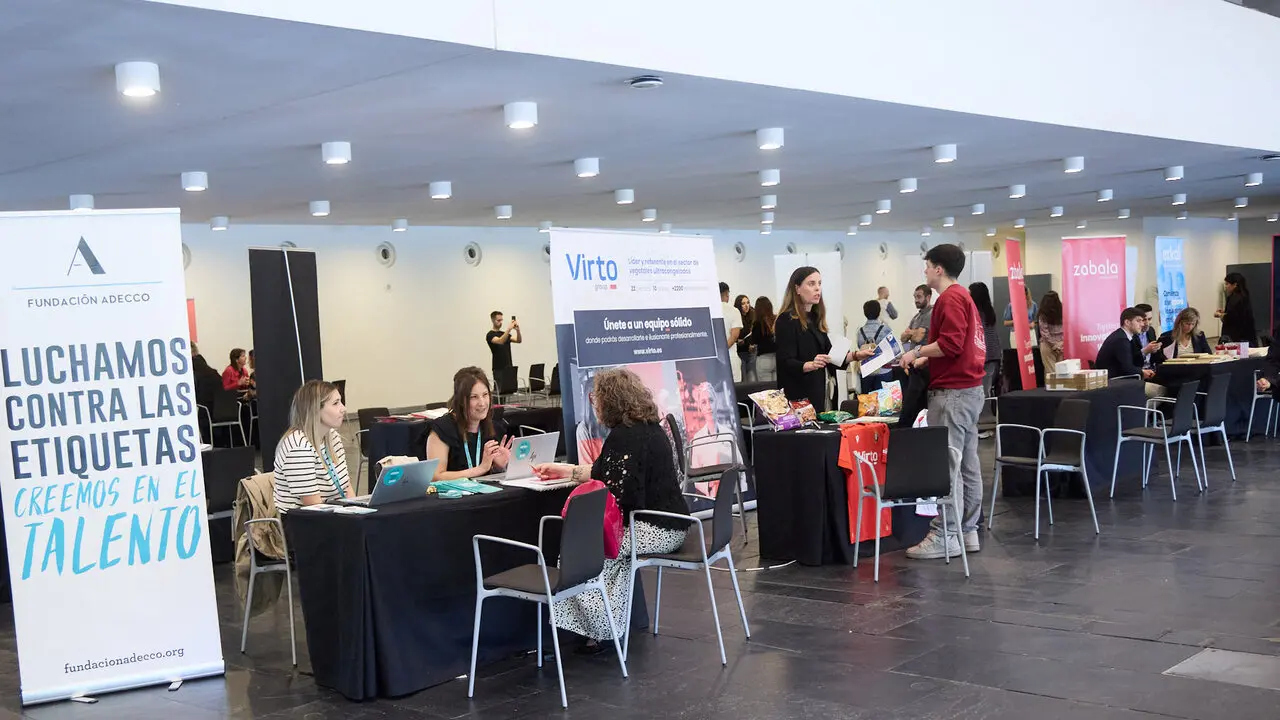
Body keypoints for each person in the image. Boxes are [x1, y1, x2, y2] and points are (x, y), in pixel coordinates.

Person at [532, 368, 690, 651]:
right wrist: (565, 471)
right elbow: (603, 472)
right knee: (609, 552)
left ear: (609, 401)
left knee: (584, 551)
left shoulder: (623, 438)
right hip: (672, 525)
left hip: (656, 529)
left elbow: (617, 494)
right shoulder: (650, 429)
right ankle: (608, 627)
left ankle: (601, 629)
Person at [898, 244, 986, 558]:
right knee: (967, 464)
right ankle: (967, 531)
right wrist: (928, 359)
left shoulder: (949, 299)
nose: (924, 271)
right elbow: (957, 346)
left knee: (949, 466)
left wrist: (917, 352)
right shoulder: (963, 297)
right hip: (968, 390)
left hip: (953, 394)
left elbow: (951, 343)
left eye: (927, 266)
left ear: (938, 268)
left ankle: (946, 534)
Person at [775, 266, 874, 410]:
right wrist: (810, 364)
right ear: (797, 289)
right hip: (798, 395)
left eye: (819, 283)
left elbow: (831, 357)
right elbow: (785, 362)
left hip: (818, 392)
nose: (817, 288)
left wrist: (856, 355)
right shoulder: (786, 320)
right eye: (811, 284)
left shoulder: (815, 319)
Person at [273, 380, 353, 512]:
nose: (343, 408)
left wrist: (357, 510)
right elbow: (313, 507)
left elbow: (346, 486)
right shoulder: (298, 447)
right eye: (335, 403)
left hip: (334, 512)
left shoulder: (332, 436)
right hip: (305, 519)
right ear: (315, 409)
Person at [426, 367, 514, 480]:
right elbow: (435, 477)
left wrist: (498, 467)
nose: (482, 403)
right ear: (461, 400)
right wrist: (481, 469)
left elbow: (488, 475)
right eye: (474, 397)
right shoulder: (443, 429)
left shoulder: (493, 428)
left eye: (485, 395)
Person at [1095, 308, 1158, 381]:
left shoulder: (1123, 336)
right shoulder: (1121, 340)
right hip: (1113, 381)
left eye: (1142, 321)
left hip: (1119, 378)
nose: (1142, 324)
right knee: (1158, 387)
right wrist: (1142, 372)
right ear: (1127, 322)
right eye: (1138, 321)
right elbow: (1127, 369)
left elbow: (1132, 360)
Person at [969, 281, 1002, 398]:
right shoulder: (989, 312)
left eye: (969, 293)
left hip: (985, 357)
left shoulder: (976, 314)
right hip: (992, 356)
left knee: (983, 391)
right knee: (985, 389)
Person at [856, 299, 894, 393]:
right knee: (884, 400)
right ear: (879, 312)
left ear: (865, 313)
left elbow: (860, 347)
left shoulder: (860, 331)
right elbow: (892, 349)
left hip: (866, 371)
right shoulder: (886, 329)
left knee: (867, 400)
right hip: (884, 370)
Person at [1216, 272, 1257, 344]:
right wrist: (1224, 312)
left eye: (1227, 284)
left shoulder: (1234, 299)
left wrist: (1220, 315)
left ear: (1235, 285)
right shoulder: (1245, 296)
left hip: (1235, 336)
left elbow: (1230, 318)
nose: (1225, 286)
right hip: (1246, 334)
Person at [720, 282, 744, 382]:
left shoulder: (710, 310)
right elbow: (734, 336)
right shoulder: (734, 311)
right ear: (727, 294)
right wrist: (723, 350)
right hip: (731, 356)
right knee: (736, 388)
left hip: (715, 359)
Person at [900, 284, 933, 353]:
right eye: (915, 297)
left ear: (928, 297)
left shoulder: (931, 313)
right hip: (912, 355)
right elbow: (903, 338)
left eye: (919, 297)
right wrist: (914, 332)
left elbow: (918, 338)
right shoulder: (916, 316)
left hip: (923, 356)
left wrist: (910, 332)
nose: (916, 300)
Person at [1037, 291, 1065, 368]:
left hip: (1047, 345)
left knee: (1050, 371)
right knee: (1061, 371)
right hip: (1061, 345)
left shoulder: (1043, 314)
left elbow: (1045, 333)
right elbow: (1066, 329)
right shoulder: (1063, 312)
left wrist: (1054, 345)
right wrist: (1060, 344)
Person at [753, 296, 778, 382]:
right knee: (776, 387)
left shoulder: (757, 323)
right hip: (777, 357)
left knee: (766, 388)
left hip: (764, 359)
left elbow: (754, 340)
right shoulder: (776, 320)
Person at [734, 294, 758, 382]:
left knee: (752, 379)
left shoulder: (753, 315)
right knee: (743, 379)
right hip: (741, 352)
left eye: (748, 302)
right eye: (743, 303)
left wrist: (753, 344)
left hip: (751, 352)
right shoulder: (736, 317)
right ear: (739, 305)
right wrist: (738, 341)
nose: (746, 305)